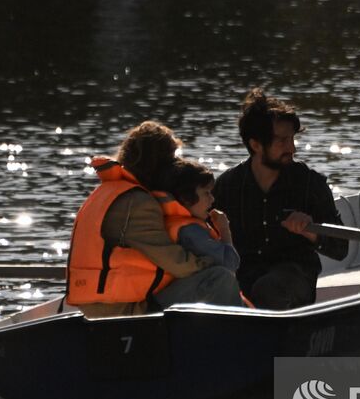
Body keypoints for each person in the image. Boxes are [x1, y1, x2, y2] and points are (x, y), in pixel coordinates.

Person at [64, 121, 244, 318]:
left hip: (96, 303)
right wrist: (212, 264)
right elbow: (175, 261)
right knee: (219, 279)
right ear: (160, 162)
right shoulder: (138, 202)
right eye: (172, 159)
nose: (176, 166)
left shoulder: (107, 191)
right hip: (121, 310)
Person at [213, 88, 348, 310]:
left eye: (292, 139)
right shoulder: (228, 186)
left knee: (269, 289)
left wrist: (310, 231)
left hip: (294, 277)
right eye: (282, 141)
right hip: (242, 275)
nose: (292, 148)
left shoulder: (310, 184)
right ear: (256, 145)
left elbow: (341, 249)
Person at [160, 158, 240, 273]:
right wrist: (224, 229)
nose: (212, 199)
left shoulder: (168, 219)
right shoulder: (190, 231)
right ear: (186, 198)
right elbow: (230, 263)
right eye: (206, 193)